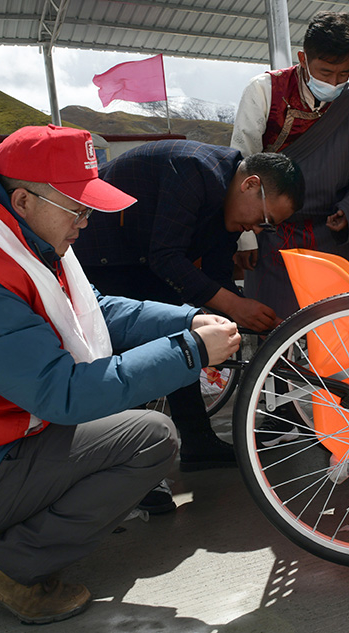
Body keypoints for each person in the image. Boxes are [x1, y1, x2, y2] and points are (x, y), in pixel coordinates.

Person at [0, 125, 241, 624]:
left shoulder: (6, 229)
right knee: (151, 438)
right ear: (25, 199)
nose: (87, 222)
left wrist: (187, 319)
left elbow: (95, 309)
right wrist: (189, 351)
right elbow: (63, 396)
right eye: (77, 208)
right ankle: (10, 568)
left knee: (129, 402)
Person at [74, 140, 305, 469]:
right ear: (250, 185)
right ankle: (134, 460)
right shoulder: (194, 169)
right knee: (134, 348)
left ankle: (197, 442)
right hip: (104, 252)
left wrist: (249, 316)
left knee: (180, 334)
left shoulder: (229, 201)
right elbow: (166, 257)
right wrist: (234, 307)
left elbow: (216, 275)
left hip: (143, 258)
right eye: (263, 219)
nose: (255, 230)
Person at [230, 11, 349, 320]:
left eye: (344, 73)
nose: (334, 83)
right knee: (274, 328)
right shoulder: (265, 92)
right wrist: (245, 239)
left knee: (336, 328)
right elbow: (241, 167)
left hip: (331, 237)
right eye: (325, 72)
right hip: (270, 238)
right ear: (303, 59)